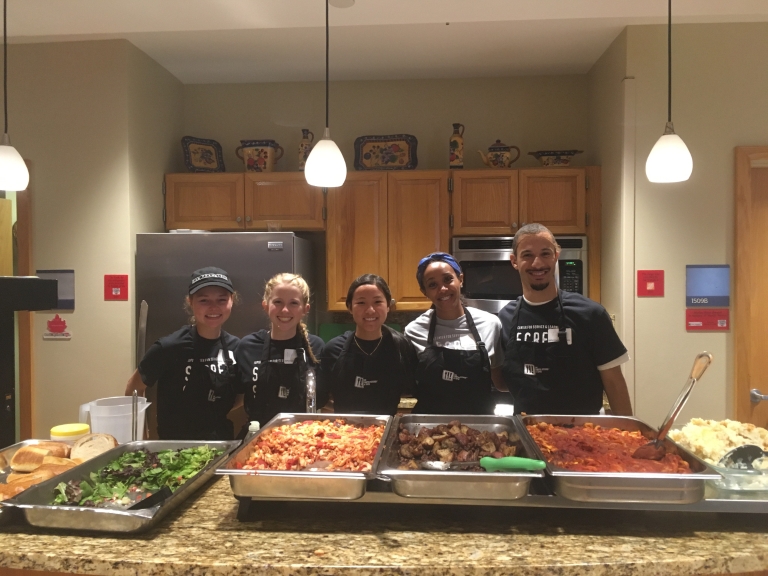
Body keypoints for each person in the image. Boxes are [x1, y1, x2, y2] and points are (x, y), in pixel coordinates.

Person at [499, 223, 633, 416]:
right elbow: (504, 381)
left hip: (583, 435)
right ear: (514, 261)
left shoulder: (590, 313)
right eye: (527, 255)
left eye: (545, 254)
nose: (537, 263)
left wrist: (627, 435)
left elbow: (614, 382)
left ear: (556, 256)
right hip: (526, 434)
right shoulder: (506, 317)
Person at [125, 267, 241, 440]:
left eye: (222, 300)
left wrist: (212, 409)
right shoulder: (168, 347)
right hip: (174, 449)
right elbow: (134, 388)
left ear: (232, 301)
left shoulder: (236, 347)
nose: (213, 307)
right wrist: (141, 439)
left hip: (222, 444)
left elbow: (241, 394)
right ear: (190, 302)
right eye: (204, 300)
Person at [405, 253, 507, 414]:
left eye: (448, 279)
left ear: (461, 279)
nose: (443, 289)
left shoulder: (490, 324)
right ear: (424, 291)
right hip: (430, 430)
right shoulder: (414, 331)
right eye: (432, 285)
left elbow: (499, 381)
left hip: (481, 428)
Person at [234, 273, 327, 431]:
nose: (285, 310)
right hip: (259, 437)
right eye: (278, 302)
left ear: (305, 309)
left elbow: (325, 398)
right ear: (265, 305)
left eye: (293, 303)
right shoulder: (248, 346)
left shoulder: (316, 346)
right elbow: (237, 397)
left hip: (304, 436)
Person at [321, 274, 418, 415]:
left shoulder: (402, 347)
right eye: (361, 303)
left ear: (388, 306)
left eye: (377, 302)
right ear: (349, 307)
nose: (370, 310)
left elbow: (413, 392)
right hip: (343, 433)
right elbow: (322, 399)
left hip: (387, 431)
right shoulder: (333, 349)